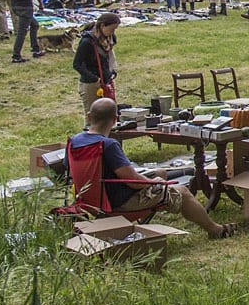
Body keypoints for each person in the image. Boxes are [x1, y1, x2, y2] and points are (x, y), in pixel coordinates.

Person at [67, 98, 235, 238]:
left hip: (89, 200)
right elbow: (134, 183)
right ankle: (215, 230)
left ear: (89, 117)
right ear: (115, 119)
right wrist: (153, 183)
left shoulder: (74, 141)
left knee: (160, 172)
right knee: (182, 191)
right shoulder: (108, 145)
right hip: (117, 203)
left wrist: (153, 177)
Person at [72, 12, 121, 113]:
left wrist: (111, 72)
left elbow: (109, 58)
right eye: (112, 29)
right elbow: (77, 64)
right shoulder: (87, 42)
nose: (113, 32)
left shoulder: (109, 39)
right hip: (90, 84)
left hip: (106, 81)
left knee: (107, 114)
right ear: (102, 25)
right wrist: (94, 78)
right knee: (92, 116)